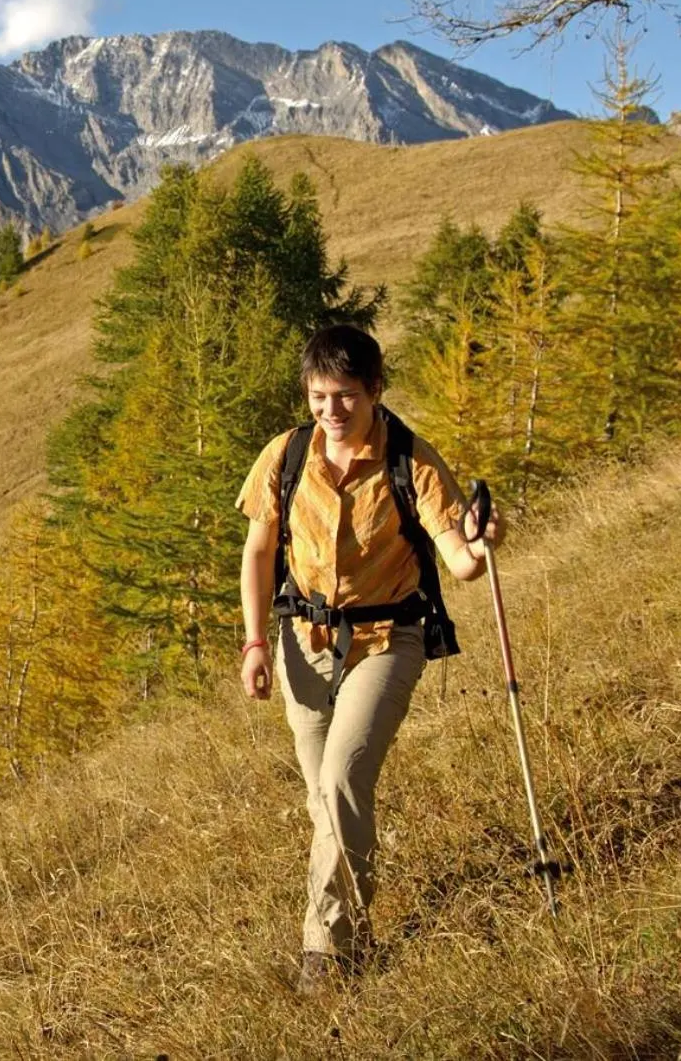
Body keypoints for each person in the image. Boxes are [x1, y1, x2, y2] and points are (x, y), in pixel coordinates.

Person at [234, 324, 502, 993]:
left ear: (375, 390)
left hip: (390, 637)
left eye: (346, 395)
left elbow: (462, 561)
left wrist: (482, 537)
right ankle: (354, 924)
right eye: (320, 395)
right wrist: (255, 641)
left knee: (343, 776)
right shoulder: (287, 454)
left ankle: (325, 950)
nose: (332, 410)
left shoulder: (411, 459)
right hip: (304, 639)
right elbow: (259, 552)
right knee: (323, 799)